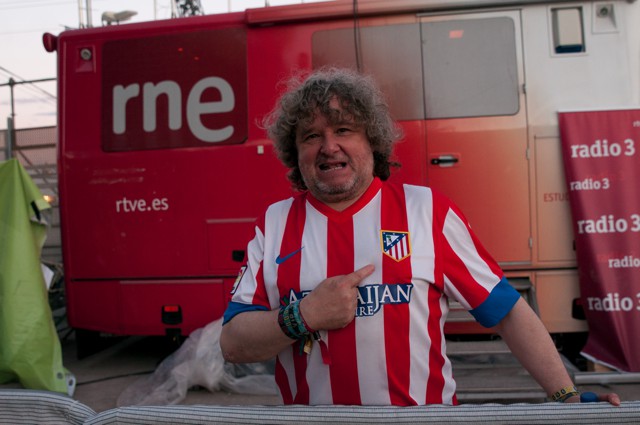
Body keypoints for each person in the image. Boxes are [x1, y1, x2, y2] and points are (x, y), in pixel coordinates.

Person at [219, 67, 620, 406]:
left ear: (372, 141)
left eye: (344, 130)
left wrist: (567, 395)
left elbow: (508, 312)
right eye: (311, 136)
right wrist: (303, 315)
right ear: (295, 151)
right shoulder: (275, 223)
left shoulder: (428, 212)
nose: (329, 146)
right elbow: (233, 344)